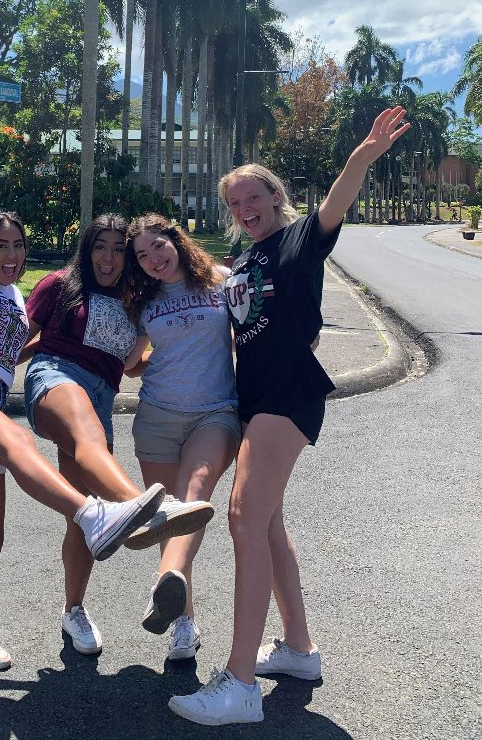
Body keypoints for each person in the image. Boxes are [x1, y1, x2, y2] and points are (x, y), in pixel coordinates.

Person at [169, 105, 410, 727]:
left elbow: (335, 203)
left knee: (244, 518)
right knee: (268, 524)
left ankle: (240, 682)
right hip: (253, 400)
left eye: (254, 198)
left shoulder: (299, 241)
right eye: (235, 204)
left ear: (276, 198)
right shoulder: (243, 261)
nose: (245, 210)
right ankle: (299, 651)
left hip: (287, 395)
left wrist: (364, 155)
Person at [0, 100, 168, 671]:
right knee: (19, 442)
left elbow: (23, 347)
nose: (10, 254)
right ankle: (94, 514)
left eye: (18, 246)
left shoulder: (12, 297)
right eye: (0, 245)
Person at [22, 215, 215, 655]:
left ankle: (73, 610)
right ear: (86, 250)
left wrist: (181, 359)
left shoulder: (134, 299)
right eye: (99, 247)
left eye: (117, 249)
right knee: (90, 446)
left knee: (84, 514)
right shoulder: (58, 284)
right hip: (57, 378)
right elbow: (22, 342)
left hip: (101, 398)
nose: (107, 258)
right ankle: (153, 510)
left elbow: (132, 362)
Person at [122, 214, 240, 662]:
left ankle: (164, 581)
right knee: (171, 516)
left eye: (159, 246)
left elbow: (252, 329)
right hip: (156, 419)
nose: (154, 259)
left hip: (216, 413)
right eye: (143, 255)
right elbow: (133, 363)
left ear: (176, 239)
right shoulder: (143, 302)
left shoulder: (221, 280)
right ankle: (184, 624)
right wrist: (164, 363)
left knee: (192, 499)